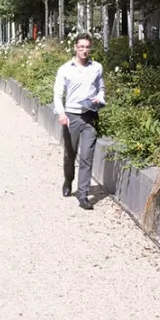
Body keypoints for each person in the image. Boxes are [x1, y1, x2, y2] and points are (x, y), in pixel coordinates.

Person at [53, 32, 105, 210]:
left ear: (90, 48)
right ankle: (68, 180)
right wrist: (61, 114)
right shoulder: (65, 69)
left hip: (89, 116)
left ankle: (82, 194)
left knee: (86, 157)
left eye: (87, 47)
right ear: (75, 48)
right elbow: (58, 94)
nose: (84, 50)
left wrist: (100, 99)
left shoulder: (96, 67)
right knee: (70, 154)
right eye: (81, 47)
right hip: (71, 117)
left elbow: (101, 89)